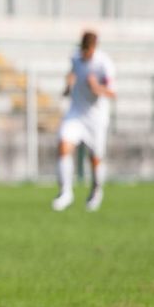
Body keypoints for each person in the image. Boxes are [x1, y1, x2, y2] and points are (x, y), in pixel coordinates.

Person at [51, 30, 116, 212]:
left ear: (94, 48)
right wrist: (67, 86)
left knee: (94, 158)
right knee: (63, 145)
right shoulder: (76, 59)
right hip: (76, 112)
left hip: (96, 117)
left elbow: (112, 92)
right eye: (83, 49)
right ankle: (65, 191)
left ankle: (96, 190)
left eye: (87, 50)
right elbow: (72, 73)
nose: (84, 54)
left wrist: (97, 87)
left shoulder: (104, 64)